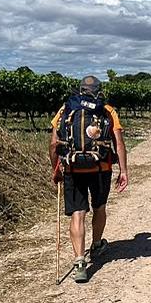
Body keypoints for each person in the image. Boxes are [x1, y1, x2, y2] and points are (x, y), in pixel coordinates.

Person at [49, 75, 128, 283]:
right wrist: (124, 171)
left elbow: (53, 144)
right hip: (101, 167)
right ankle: (96, 245)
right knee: (99, 207)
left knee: (78, 213)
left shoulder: (65, 110)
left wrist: (55, 169)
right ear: (99, 89)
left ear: (80, 88)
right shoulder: (107, 110)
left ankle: (80, 262)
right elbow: (118, 143)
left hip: (73, 169)